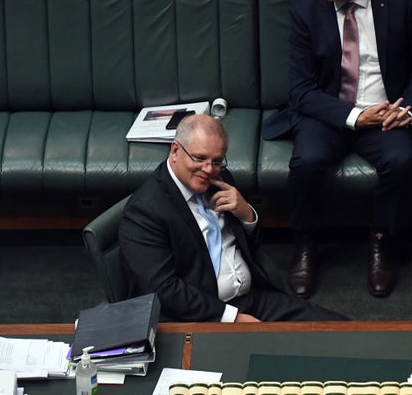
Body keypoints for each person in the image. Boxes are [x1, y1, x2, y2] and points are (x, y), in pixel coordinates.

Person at [262, 0, 412, 299]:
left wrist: (406, 110)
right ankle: (305, 242)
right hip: (328, 112)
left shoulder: (399, 0)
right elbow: (300, 91)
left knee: (399, 161)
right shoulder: (305, 11)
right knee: (307, 161)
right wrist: (353, 117)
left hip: (386, 111)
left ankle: (382, 241)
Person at [119, 113, 347, 322]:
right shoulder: (144, 211)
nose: (208, 170)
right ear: (175, 151)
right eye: (199, 158)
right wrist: (232, 317)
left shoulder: (220, 179)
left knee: (345, 331)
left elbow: (253, 245)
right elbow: (165, 290)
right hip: (201, 317)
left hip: (253, 300)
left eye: (216, 161)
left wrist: (247, 214)